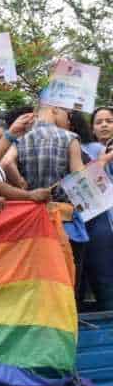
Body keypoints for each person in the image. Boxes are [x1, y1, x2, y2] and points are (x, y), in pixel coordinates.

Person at [81, 106, 113, 310]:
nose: (104, 125)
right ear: (91, 128)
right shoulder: (85, 150)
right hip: (99, 222)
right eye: (99, 122)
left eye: (109, 121)